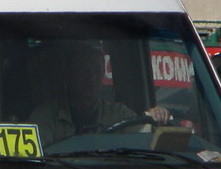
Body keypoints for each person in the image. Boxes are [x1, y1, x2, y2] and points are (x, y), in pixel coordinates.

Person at [29, 44, 170, 149]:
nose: (92, 78)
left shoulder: (118, 113)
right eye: (84, 70)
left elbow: (143, 136)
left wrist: (156, 119)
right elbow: (38, 161)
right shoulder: (45, 118)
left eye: (97, 70)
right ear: (69, 74)